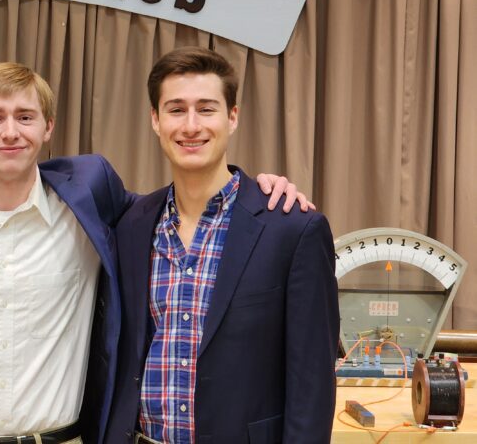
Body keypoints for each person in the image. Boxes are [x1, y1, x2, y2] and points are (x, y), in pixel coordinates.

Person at [0, 62, 310, 444]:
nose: (10, 132)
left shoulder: (89, 196)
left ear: (48, 128)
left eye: (25, 117)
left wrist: (259, 189)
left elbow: (179, 202)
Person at [106, 48, 339, 444]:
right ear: (155, 120)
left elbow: (312, 386)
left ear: (232, 117)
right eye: (176, 109)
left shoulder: (292, 229)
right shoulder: (131, 225)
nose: (191, 125)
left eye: (207, 109)